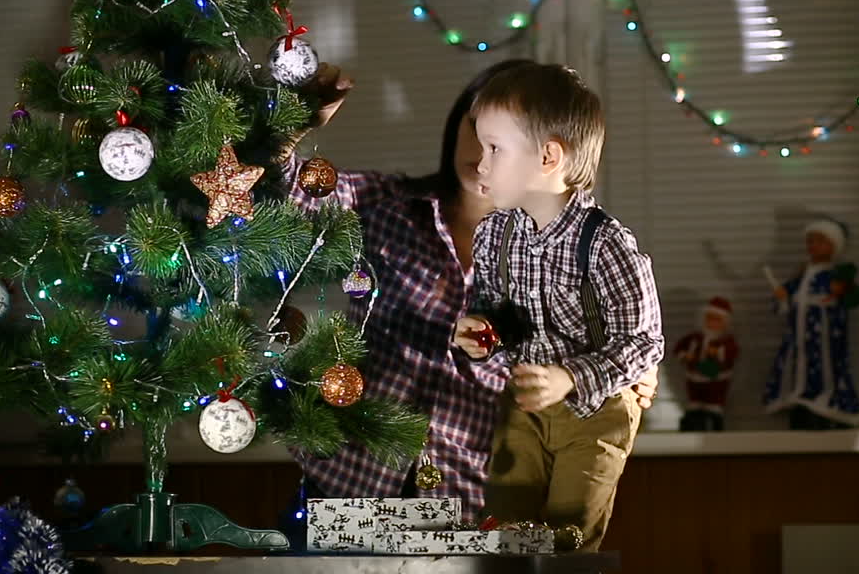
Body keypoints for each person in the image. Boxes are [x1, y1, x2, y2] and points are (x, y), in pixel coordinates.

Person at [279, 60, 661, 529]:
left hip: (463, 505)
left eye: (500, 143)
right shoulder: (386, 207)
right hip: (347, 484)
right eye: (477, 130)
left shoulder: (579, 251)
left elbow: (627, 347)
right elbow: (285, 194)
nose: (482, 153)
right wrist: (291, 124)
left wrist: (622, 373)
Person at [453, 63, 663, 552]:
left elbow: (643, 341)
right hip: (522, 406)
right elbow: (493, 313)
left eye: (494, 149)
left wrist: (570, 377)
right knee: (505, 534)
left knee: (567, 539)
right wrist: (482, 334)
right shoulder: (494, 235)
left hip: (594, 410)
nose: (480, 164)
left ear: (548, 157)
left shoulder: (605, 243)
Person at [762, 217, 859, 429]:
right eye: (810, 241)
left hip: (823, 341)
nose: (813, 246)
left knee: (826, 372)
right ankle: (803, 407)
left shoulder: (835, 276)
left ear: (834, 246)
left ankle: (829, 409)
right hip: (799, 341)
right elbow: (785, 303)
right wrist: (782, 297)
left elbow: (847, 299)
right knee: (799, 372)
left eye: (819, 241)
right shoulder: (801, 276)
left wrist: (837, 295)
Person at [674, 296, 739, 431]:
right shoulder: (695, 338)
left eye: (717, 320)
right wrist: (685, 356)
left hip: (716, 382)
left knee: (713, 409)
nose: (712, 323)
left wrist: (718, 356)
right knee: (694, 408)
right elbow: (679, 348)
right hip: (694, 379)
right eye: (710, 318)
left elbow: (730, 357)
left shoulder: (726, 342)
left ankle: (714, 425)